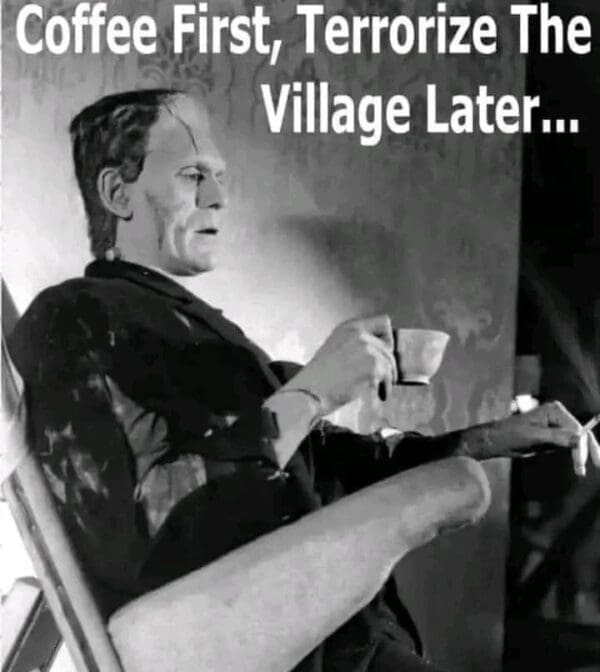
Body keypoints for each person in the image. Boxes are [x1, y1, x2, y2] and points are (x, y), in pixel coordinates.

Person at [9, 89, 600, 672]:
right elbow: (144, 535)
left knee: (463, 481)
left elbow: (341, 471)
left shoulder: (206, 335)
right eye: (193, 175)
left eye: (220, 176)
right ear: (117, 192)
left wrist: (495, 438)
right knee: (459, 488)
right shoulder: (73, 317)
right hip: (279, 650)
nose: (220, 196)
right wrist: (310, 393)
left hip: (351, 641)